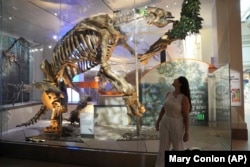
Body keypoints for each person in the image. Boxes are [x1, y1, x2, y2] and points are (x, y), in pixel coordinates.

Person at [155, 76, 192, 167]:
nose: (174, 80)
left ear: (180, 83)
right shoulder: (168, 94)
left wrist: (186, 132)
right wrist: (158, 121)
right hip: (165, 121)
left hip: (177, 123)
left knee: (178, 147)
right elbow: (163, 109)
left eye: (176, 79)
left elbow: (186, 117)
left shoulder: (184, 98)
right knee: (163, 147)